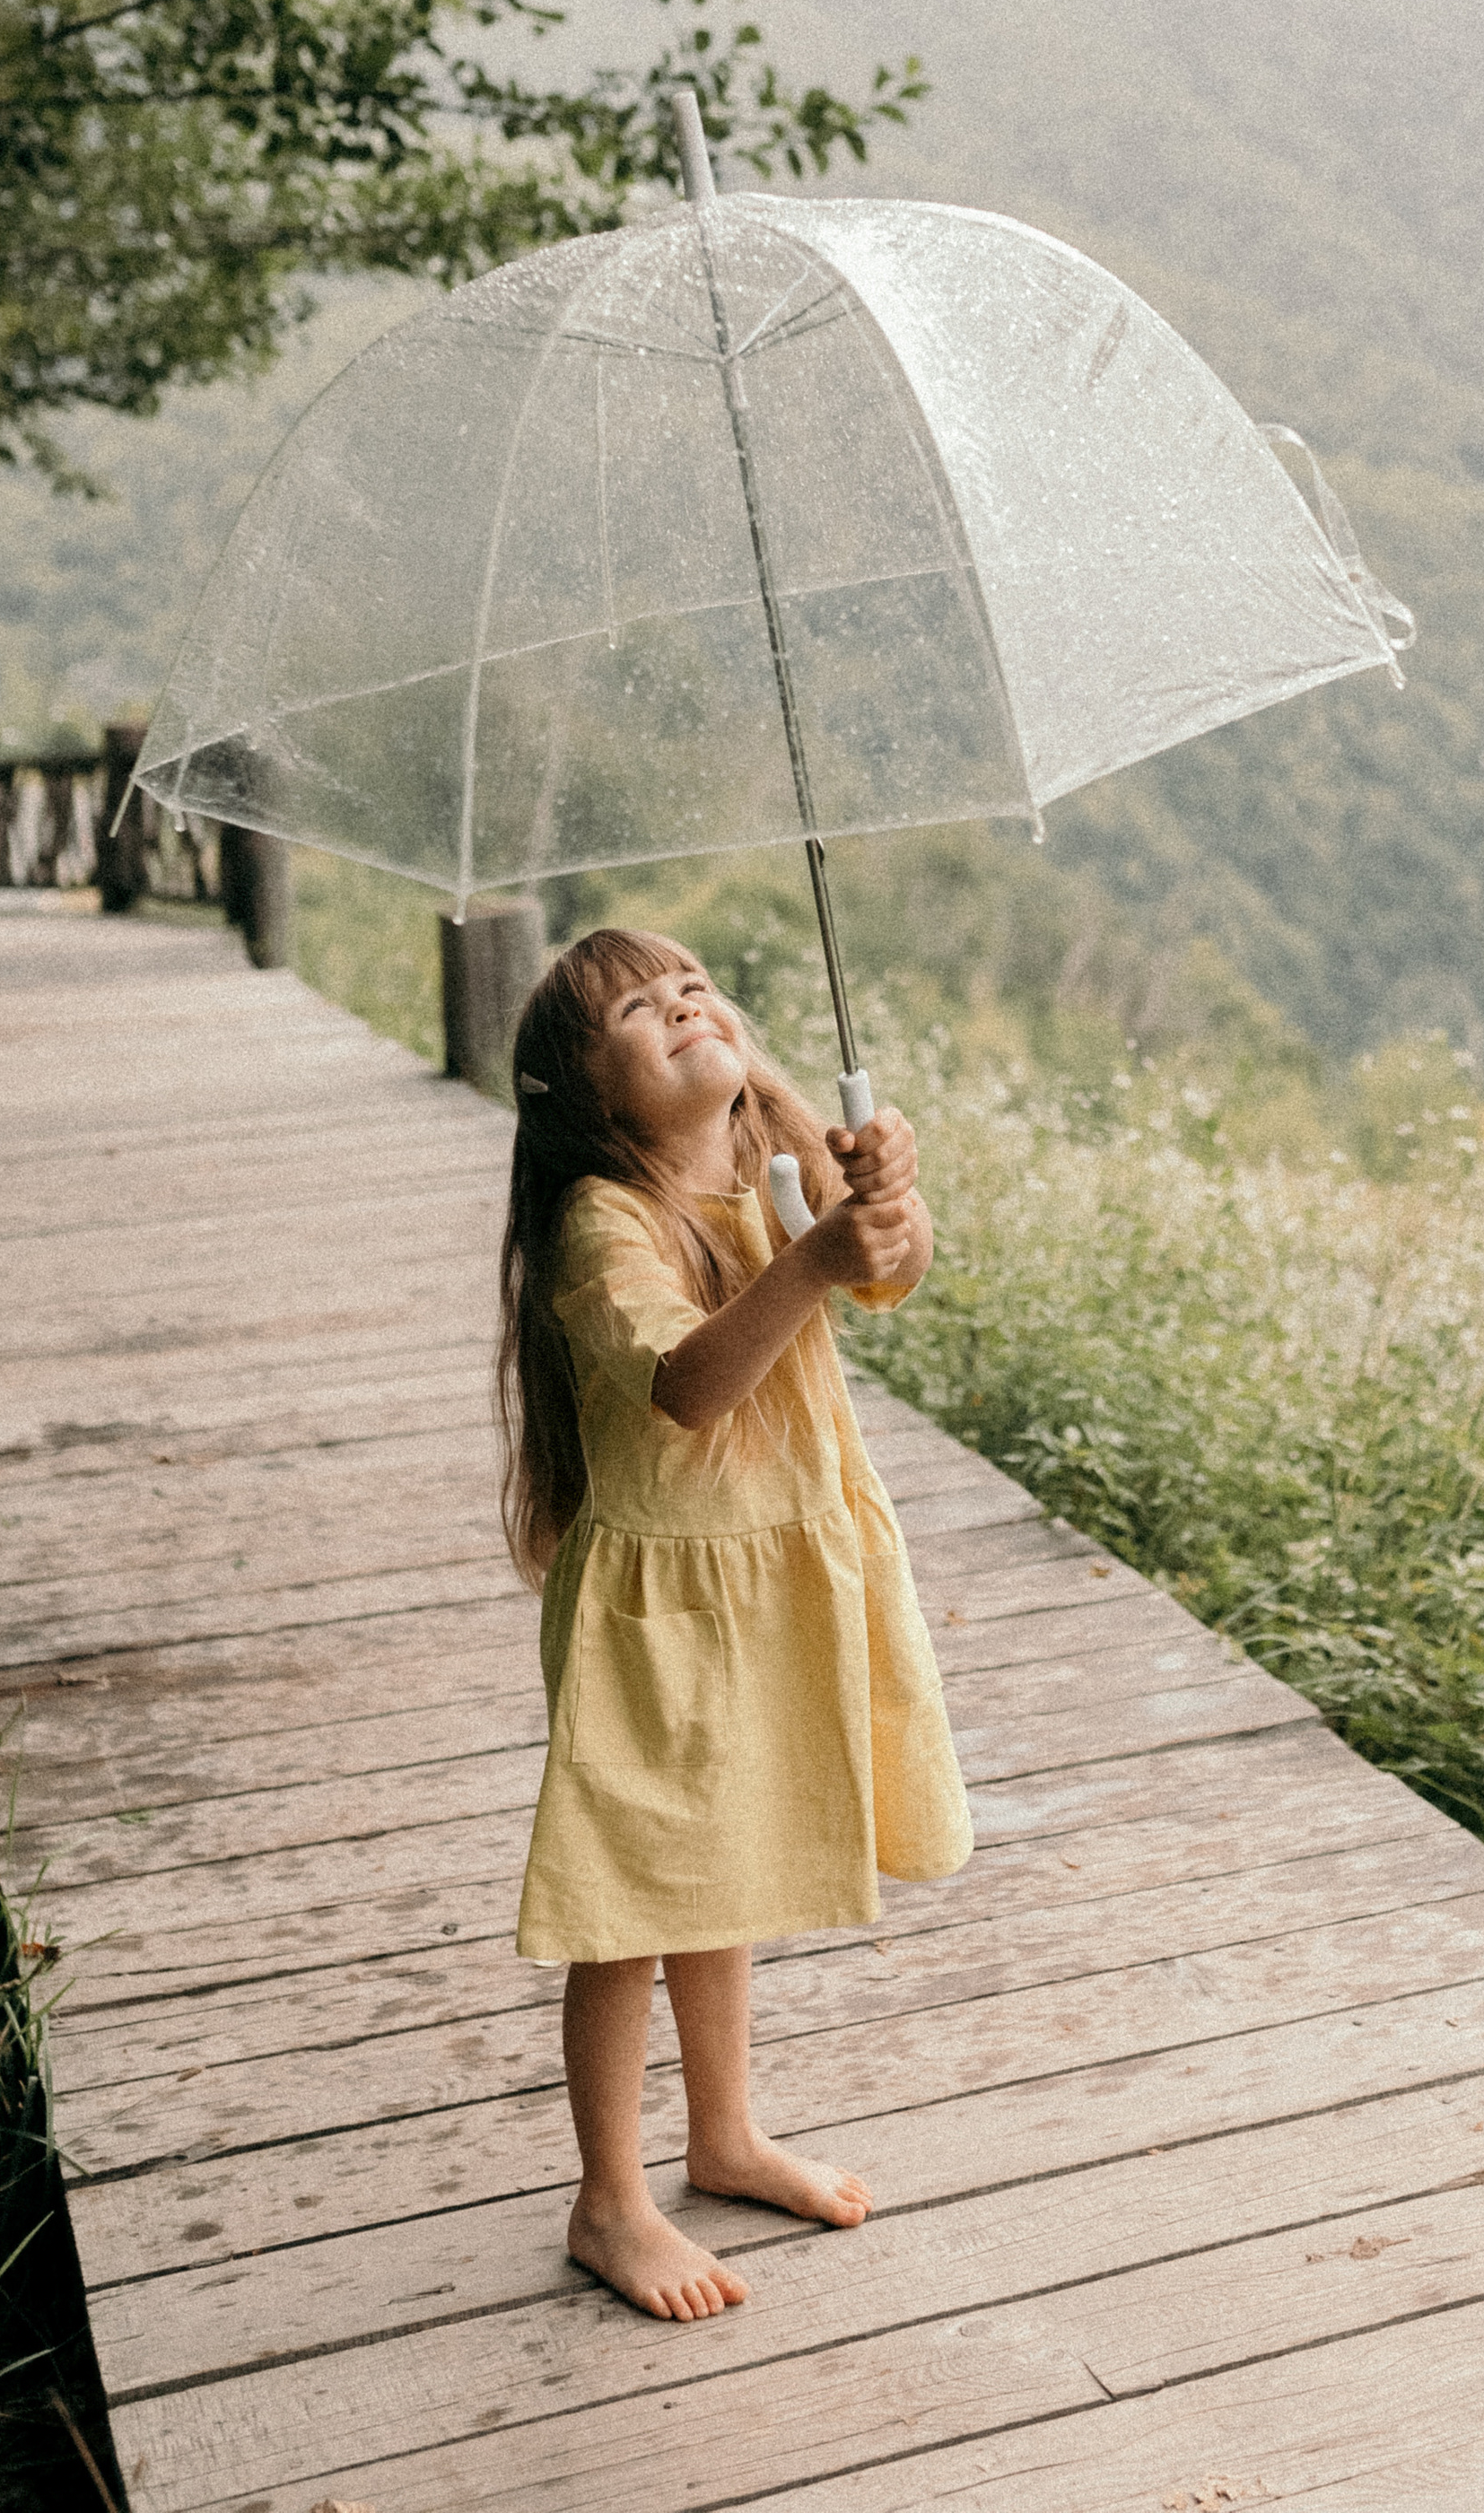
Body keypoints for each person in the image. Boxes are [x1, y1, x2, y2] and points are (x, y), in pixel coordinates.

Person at [496, 927, 973, 2322]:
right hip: (662, 1603)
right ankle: (609, 2198)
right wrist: (811, 1255)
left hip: (772, 1572)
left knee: (726, 1861)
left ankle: (722, 2134)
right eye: (641, 1011)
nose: (686, 1005)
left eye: (693, 985)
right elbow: (692, 1387)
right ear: (593, 1096)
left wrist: (887, 1203)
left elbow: (887, 1274)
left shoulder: (773, 1142)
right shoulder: (604, 1220)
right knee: (634, 1896)